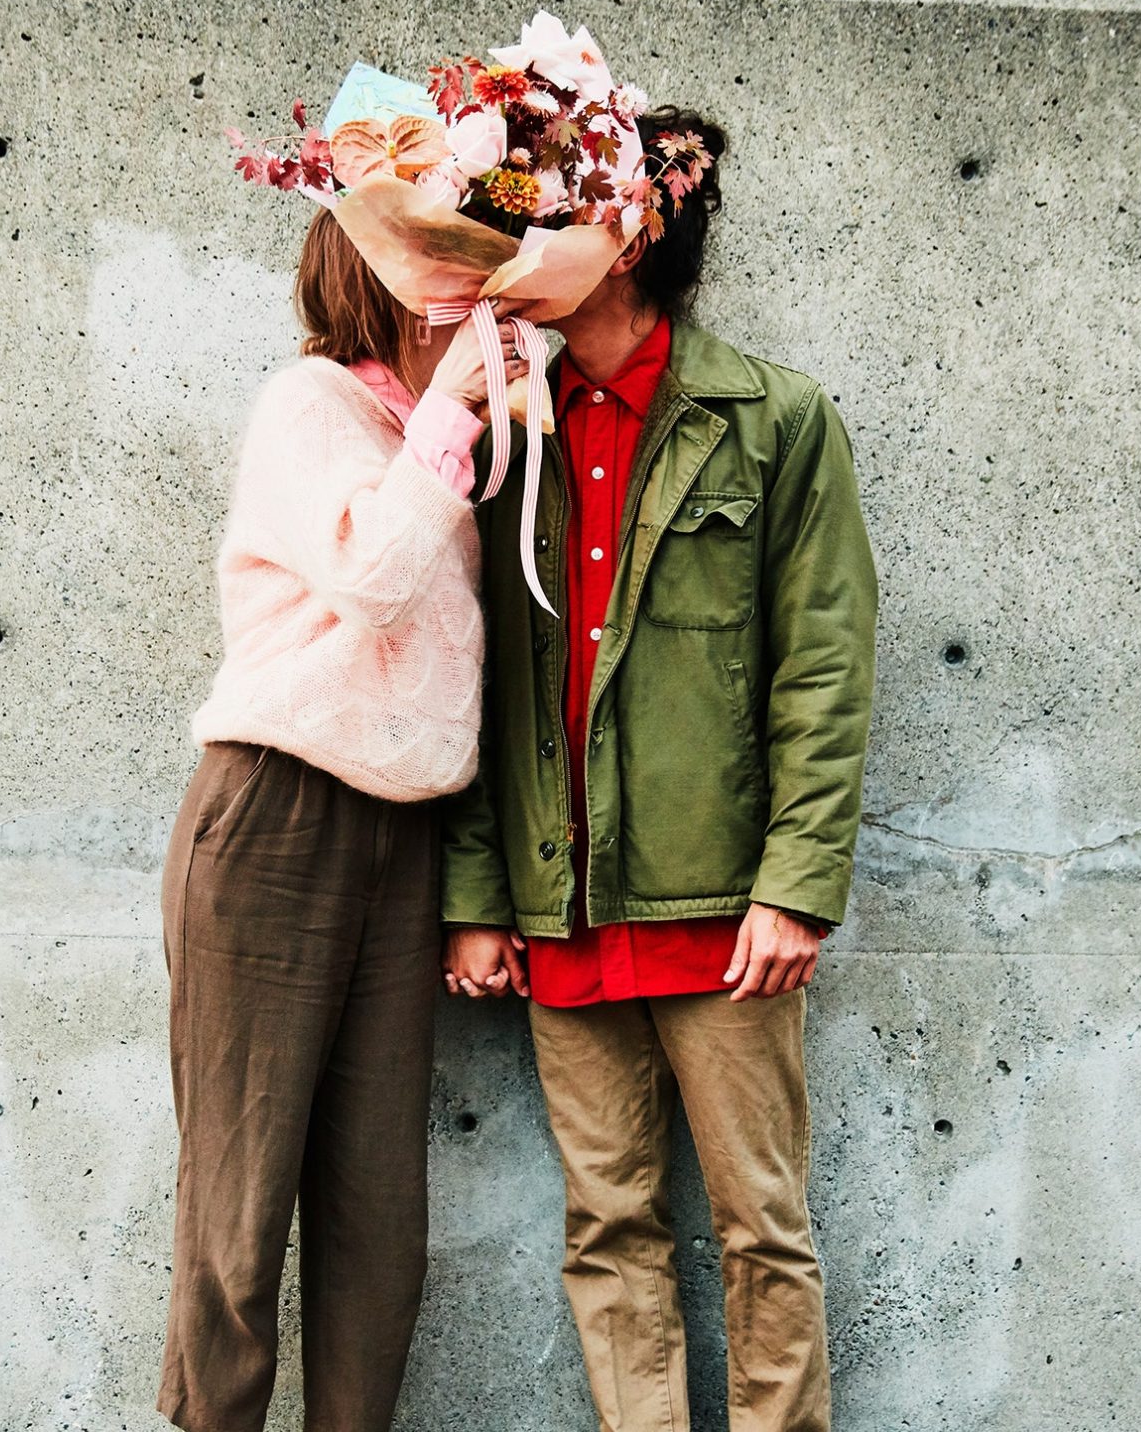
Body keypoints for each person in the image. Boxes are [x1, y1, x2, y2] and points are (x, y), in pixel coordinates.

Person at [441, 107, 879, 1432]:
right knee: (608, 1227)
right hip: (559, 907)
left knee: (762, 1230)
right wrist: (476, 891)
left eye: (542, 218)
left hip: (723, 914)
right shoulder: (495, 430)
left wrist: (796, 885)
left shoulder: (775, 422)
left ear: (625, 238)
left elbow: (824, 666)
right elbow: (470, 673)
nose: (509, 247)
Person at [157, 209, 526, 1432]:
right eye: (452, 275)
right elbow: (370, 577)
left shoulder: (454, 436)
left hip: (403, 839)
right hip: (278, 817)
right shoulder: (309, 402)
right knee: (241, 1202)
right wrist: (455, 406)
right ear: (384, 286)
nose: (477, 296)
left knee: (379, 1219)